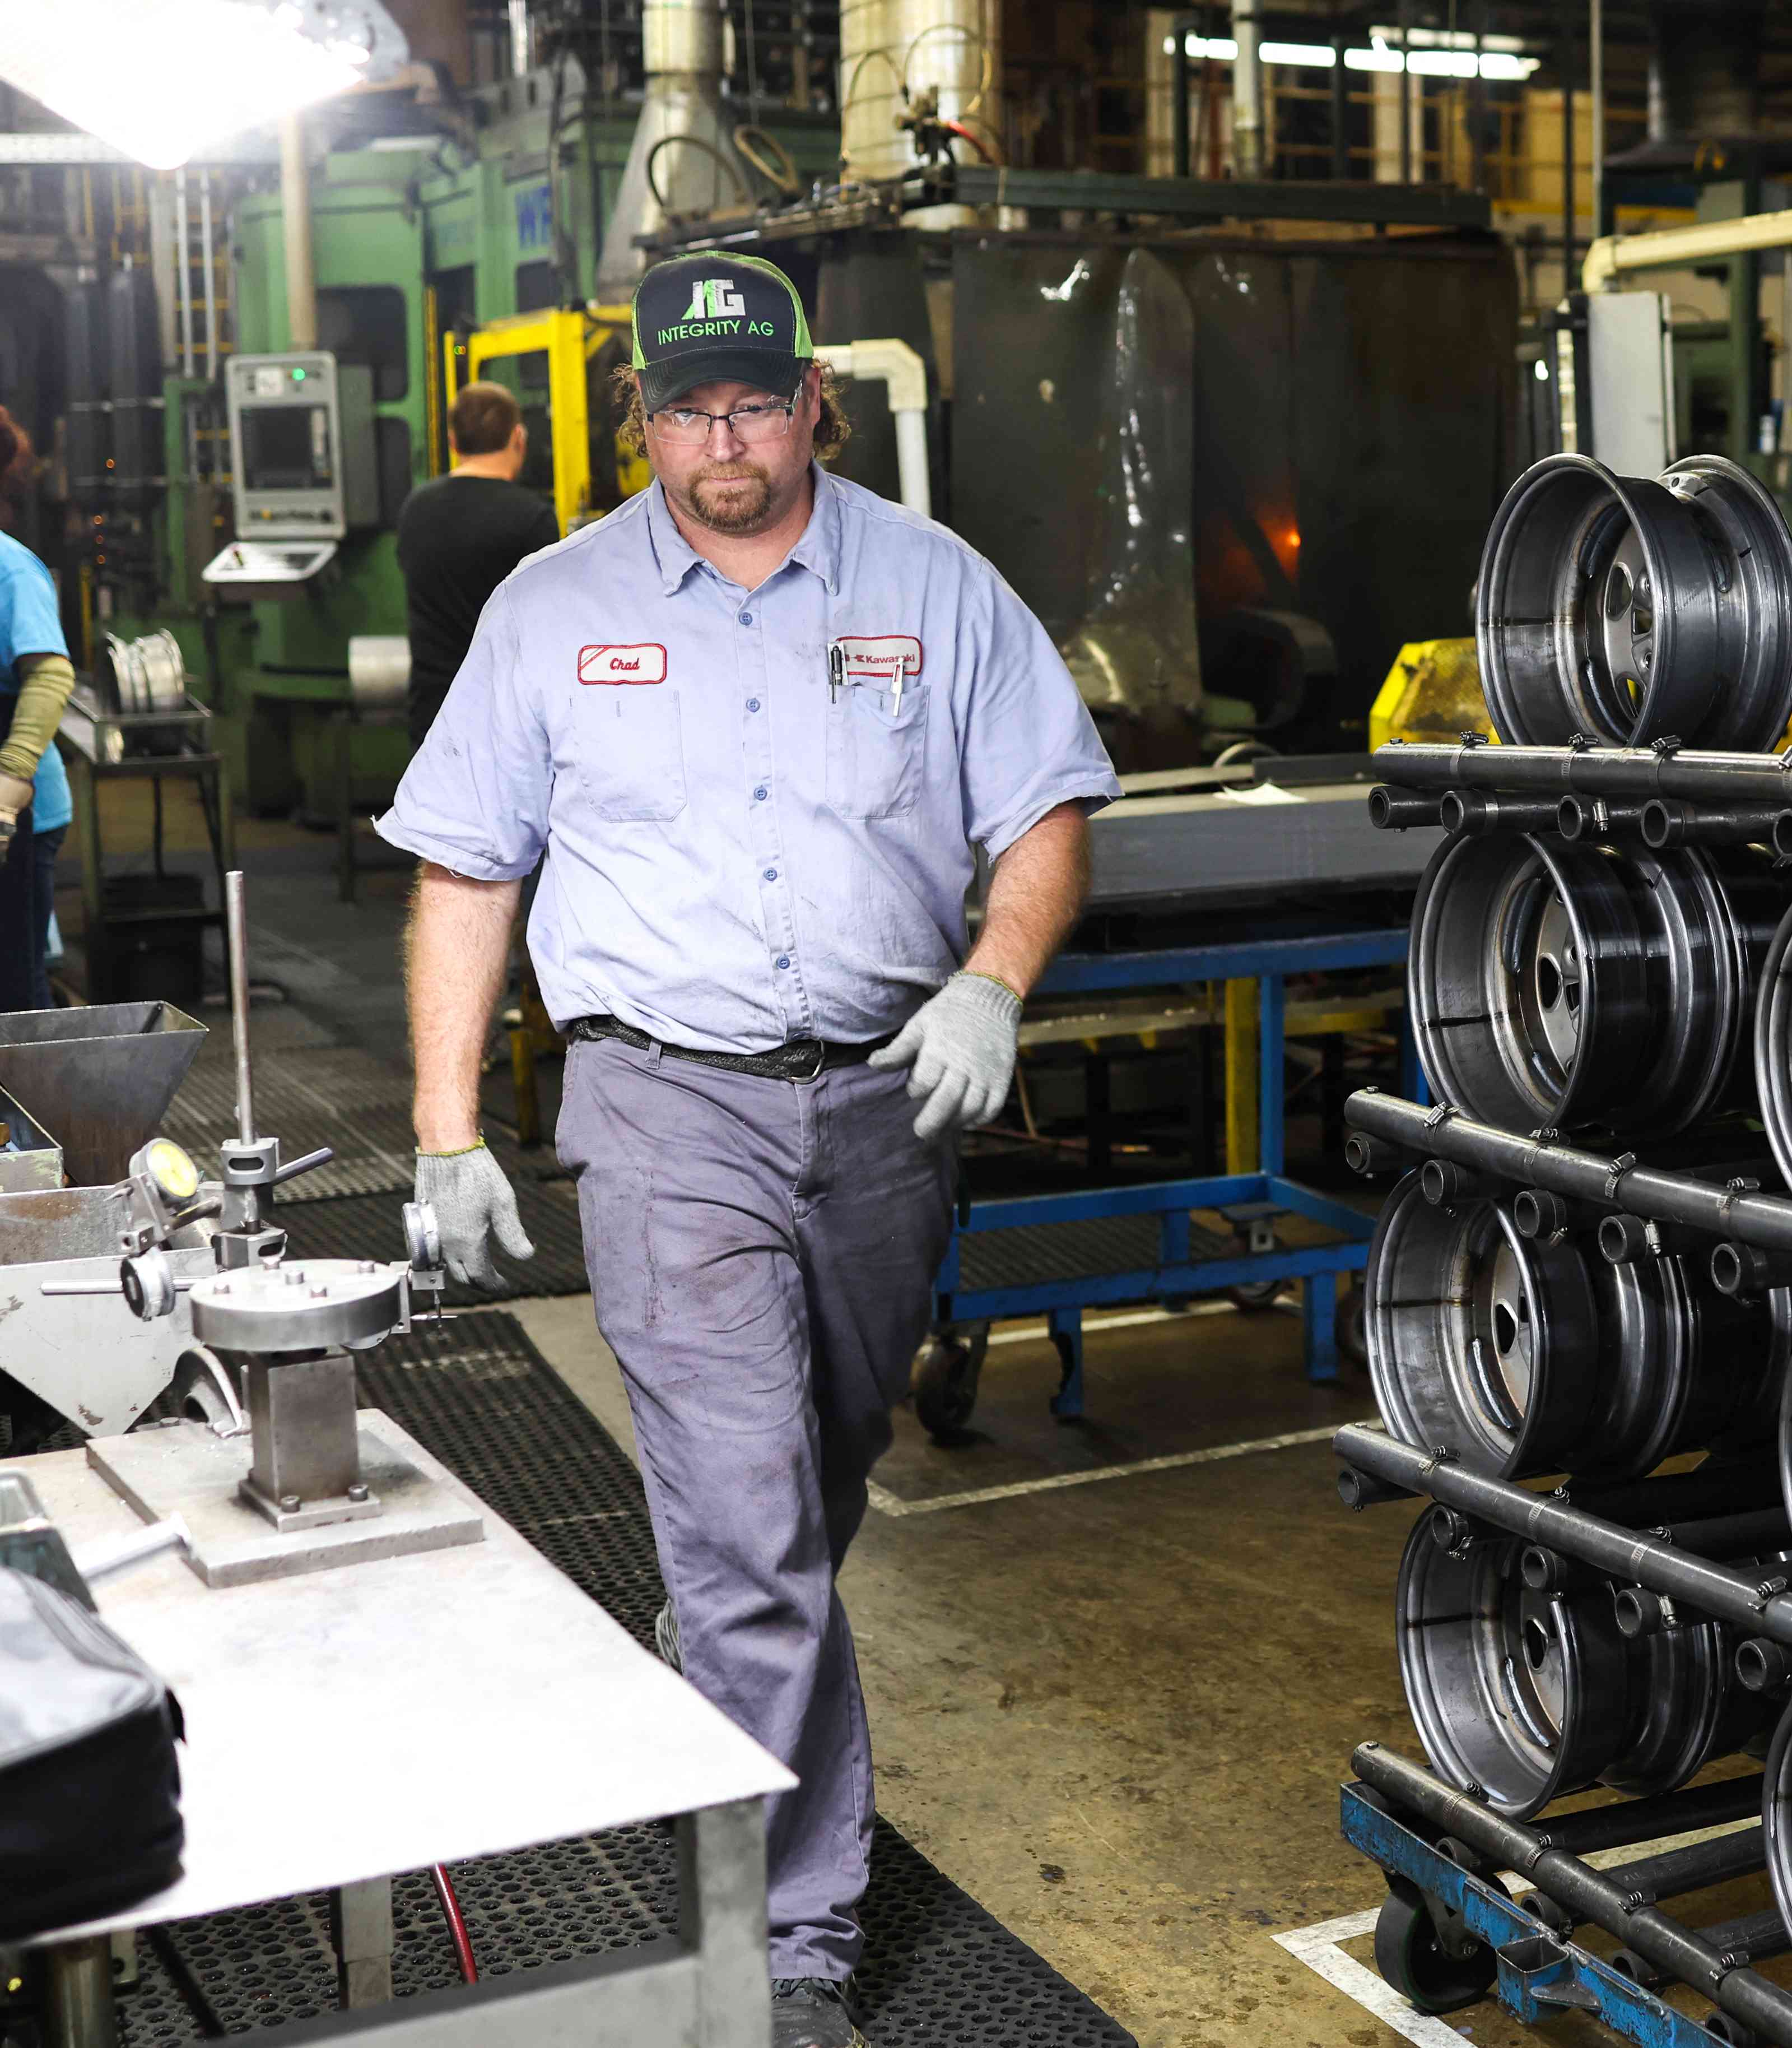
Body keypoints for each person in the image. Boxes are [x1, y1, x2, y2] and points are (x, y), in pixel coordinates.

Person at [378, 251, 1118, 2048]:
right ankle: (789, 1950)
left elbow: (1045, 810)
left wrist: (994, 985)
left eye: (758, 403)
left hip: (883, 1104)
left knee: (815, 1472)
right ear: (640, 416)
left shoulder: (935, 588)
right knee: (753, 1522)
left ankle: (724, 1655)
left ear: (817, 405)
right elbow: (469, 867)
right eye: (689, 408)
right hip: (659, 1101)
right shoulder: (552, 611)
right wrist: (446, 1127)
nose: (726, 442)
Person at [395, 379, 557, 745]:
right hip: (507, 724)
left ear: (453, 442)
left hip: (433, 718)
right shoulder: (532, 518)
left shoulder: (415, 509)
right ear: (519, 437)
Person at [0, 405, 76, 1012]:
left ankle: (25, 1110)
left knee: (14, 981)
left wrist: (8, 784)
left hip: (22, 808)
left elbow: (49, 675)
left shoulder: (11, 566)